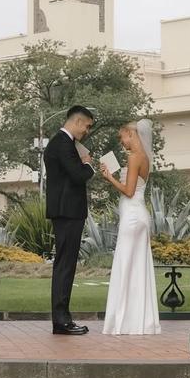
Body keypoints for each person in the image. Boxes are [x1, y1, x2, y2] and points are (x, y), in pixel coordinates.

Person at [100, 119, 161, 335]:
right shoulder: (146, 158)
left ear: (131, 134)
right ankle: (140, 322)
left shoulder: (134, 157)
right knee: (138, 268)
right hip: (140, 214)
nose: (121, 141)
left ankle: (122, 322)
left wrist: (110, 178)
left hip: (132, 216)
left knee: (125, 265)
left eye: (122, 137)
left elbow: (128, 191)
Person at [44, 105, 95, 335]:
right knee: (65, 266)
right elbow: (78, 176)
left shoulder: (61, 143)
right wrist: (87, 164)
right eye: (86, 126)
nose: (86, 131)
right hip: (67, 212)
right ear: (77, 122)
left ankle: (62, 318)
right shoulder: (63, 144)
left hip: (65, 212)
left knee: (65, 265)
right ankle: (61, 320)